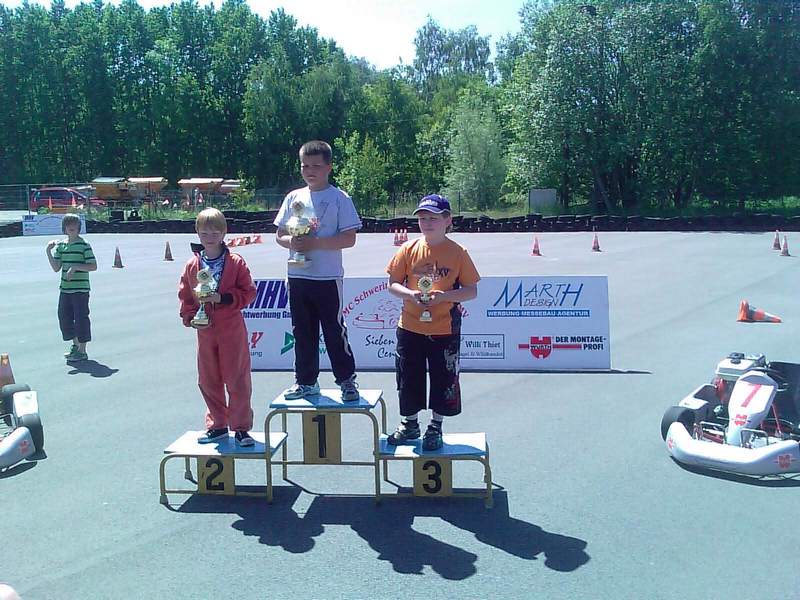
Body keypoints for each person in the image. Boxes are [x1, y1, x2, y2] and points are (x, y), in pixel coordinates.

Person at [385, 194, 480, 450]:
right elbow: (392, 284)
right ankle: (410, 424)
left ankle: (435, 427)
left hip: (444, 327)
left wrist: (444, 296)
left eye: (433, 218)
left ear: (447, 220)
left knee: (443, 378)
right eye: (423, 218)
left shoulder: (458, 253)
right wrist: (411, 295)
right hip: (410, 326)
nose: (427, 223)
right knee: (408, 377)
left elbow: (471, 290)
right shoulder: (408, 249)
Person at [274, 140, 362, 402]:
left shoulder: (339, 198)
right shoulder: (293, 197)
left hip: (327, 277)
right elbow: (280, 234)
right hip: (298, 275)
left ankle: (347, 381)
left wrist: (315, 243)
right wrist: (293, 242)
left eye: (316, 166)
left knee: (334, 330)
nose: (309, 171)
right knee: (302, 331)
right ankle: (306, 382)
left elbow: (349, 238)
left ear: (329, 168)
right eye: (304, 166)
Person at [178, 208, 258, 446]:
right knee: (208, 378)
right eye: (204, 232)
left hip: (230, 327)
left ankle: (241, 427)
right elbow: (185, 294)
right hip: (205, 330)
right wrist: (190, 317)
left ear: (224, 233)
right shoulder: (193, 265)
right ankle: (218, 424)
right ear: (197, 233)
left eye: (215, 231)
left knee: (237, 378)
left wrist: (222, 299)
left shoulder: (235, 262)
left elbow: (249, 292)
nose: (210, 236)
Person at [45, 213, 97, 362]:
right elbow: (56, 268)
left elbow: (93, 266)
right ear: (64, 228)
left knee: (81, 318)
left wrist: (75, 267)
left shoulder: (84, 245)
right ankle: (75, 345)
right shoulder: (61, 246)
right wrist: (48, 251)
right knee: (64, 318)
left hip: (80, 289)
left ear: (78, 227)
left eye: (74, 224)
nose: (71, 227)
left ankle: (82, 350)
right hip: (65, 289)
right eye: (68, 224)